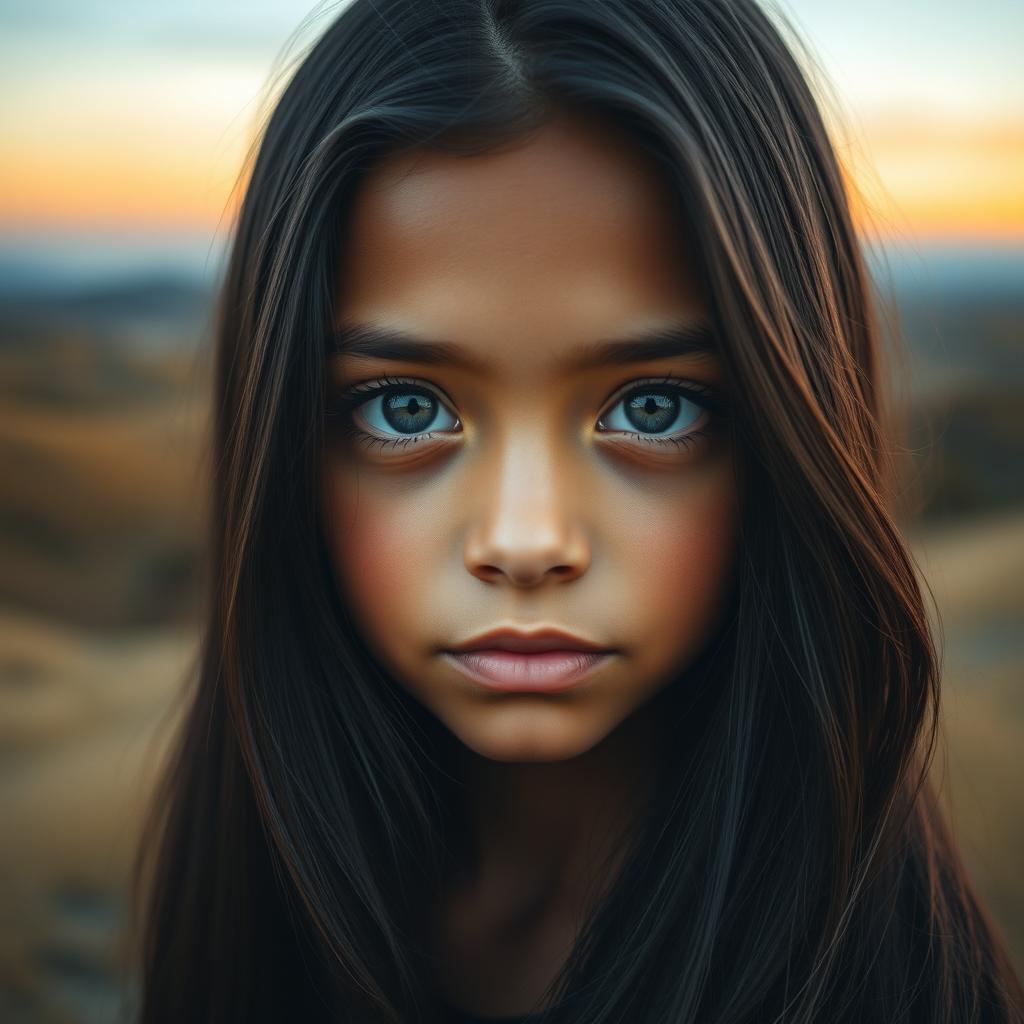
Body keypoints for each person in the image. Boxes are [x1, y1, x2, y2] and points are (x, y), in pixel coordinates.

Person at [129, 1, 1024, 1022]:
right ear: (283, 440)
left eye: (652, 408)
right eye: (405, 407)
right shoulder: (248, 904)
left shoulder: (901, 992)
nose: (524, 540)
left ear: (785, 442)